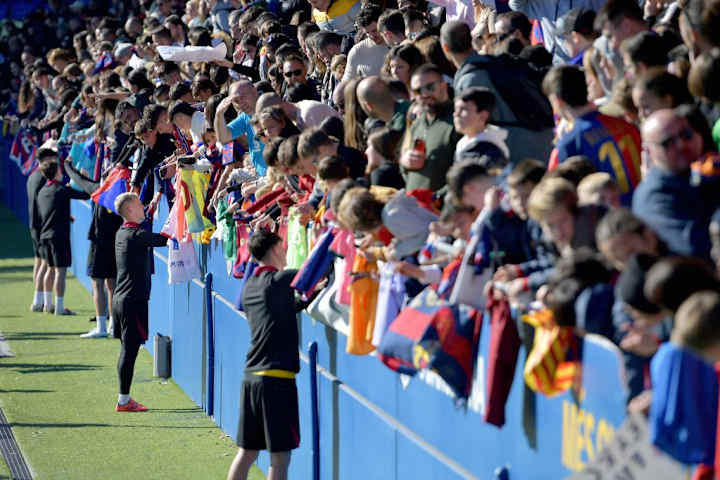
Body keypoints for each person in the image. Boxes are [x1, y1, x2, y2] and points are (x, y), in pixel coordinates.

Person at [226, 229, 306, 480]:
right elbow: (313, 273)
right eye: (283, 247)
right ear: (274, 250)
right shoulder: (282, 281)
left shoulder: (250, 287)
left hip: (251, 379)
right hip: (277, 380)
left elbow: (281, 309)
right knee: (280, 458)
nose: (286, 252)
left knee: (247, 452)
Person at [440, 20, 555, 164]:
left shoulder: (470, 80)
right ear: (470, 40)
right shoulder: (496, 62)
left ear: (445, 48)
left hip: (517, 154)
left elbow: (473, 127)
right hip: (545, 139)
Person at [543, 65, 642, 206]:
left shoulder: (568, 145)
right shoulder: (625, 124)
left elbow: (554, 197)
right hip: (645, 207)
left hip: (611, 220)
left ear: (557, 101)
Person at [633, 108, 717, 258]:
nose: (681, 145)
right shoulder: (654, 197)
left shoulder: (701, 171)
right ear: (648, 150)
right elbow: (693, 248)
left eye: (686, 135)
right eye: (667, 143)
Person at [112, 192, 167, 412]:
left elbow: (145, 232)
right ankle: (124, 400)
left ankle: (124, 398)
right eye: (139, 204)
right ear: (131, 210)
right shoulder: (136, 236)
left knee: (127, 349)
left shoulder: (123, 232)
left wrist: (151, 208)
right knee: (129, 350)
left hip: (122, 299)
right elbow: (163, 239)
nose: (143, 206)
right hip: (132, 301)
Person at [36, 155, 91, 316]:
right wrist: (83, 179)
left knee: (50, 269)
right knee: (60, 271)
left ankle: (48, 304)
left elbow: (50, 211)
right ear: (56, 173)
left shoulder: (43, 191)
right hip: (59, 236)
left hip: (45, 236)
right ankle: (59, 307)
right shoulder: (61, 190)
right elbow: (86, 195)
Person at [400, 64, 461, 192]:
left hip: (440, 208)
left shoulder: (459, 119)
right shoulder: (417, 123)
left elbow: (465, 174)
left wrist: (437, 198)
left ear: (444, 85)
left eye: (430, 87)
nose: (424, 94)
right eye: (417, 91)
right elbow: (405, 169)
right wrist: (404, 163)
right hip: (413, 205)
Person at [27, 147, 55, 312]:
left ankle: (37, 299)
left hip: (34, 225)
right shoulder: (42, 179)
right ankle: (41, 302)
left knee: (39, 262)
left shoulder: (32, 176)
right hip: (42, 226)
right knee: (46, 265)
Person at [453, 86, 510, 168]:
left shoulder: (492, 154)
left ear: (483, 116)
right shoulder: (462, 144)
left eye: (463, 109)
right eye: (456, 109)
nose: (456, 114)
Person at [342, 5, 389, 82]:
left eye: (374, 31)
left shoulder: (399, 43)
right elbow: (346, 84)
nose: (372, 36)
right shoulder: (357, 51)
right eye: (367, 32)